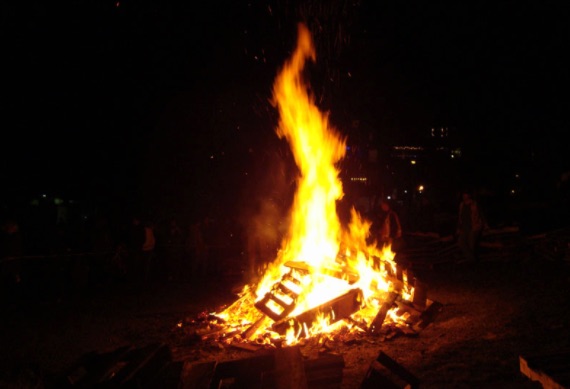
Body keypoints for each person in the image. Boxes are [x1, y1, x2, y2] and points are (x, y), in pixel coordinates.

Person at [456, 191, 484, 262]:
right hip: (464, 228)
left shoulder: (474, 204)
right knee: (461, 242)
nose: (464, 196)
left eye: (465, 195)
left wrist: (483, 224)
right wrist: (459, 227)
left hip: (473, 227)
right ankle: (472, 259)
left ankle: (471, 262)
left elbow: (480, 214)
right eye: (463, 195)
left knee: (471, 244)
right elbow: (460, 216)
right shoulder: (462, 204)